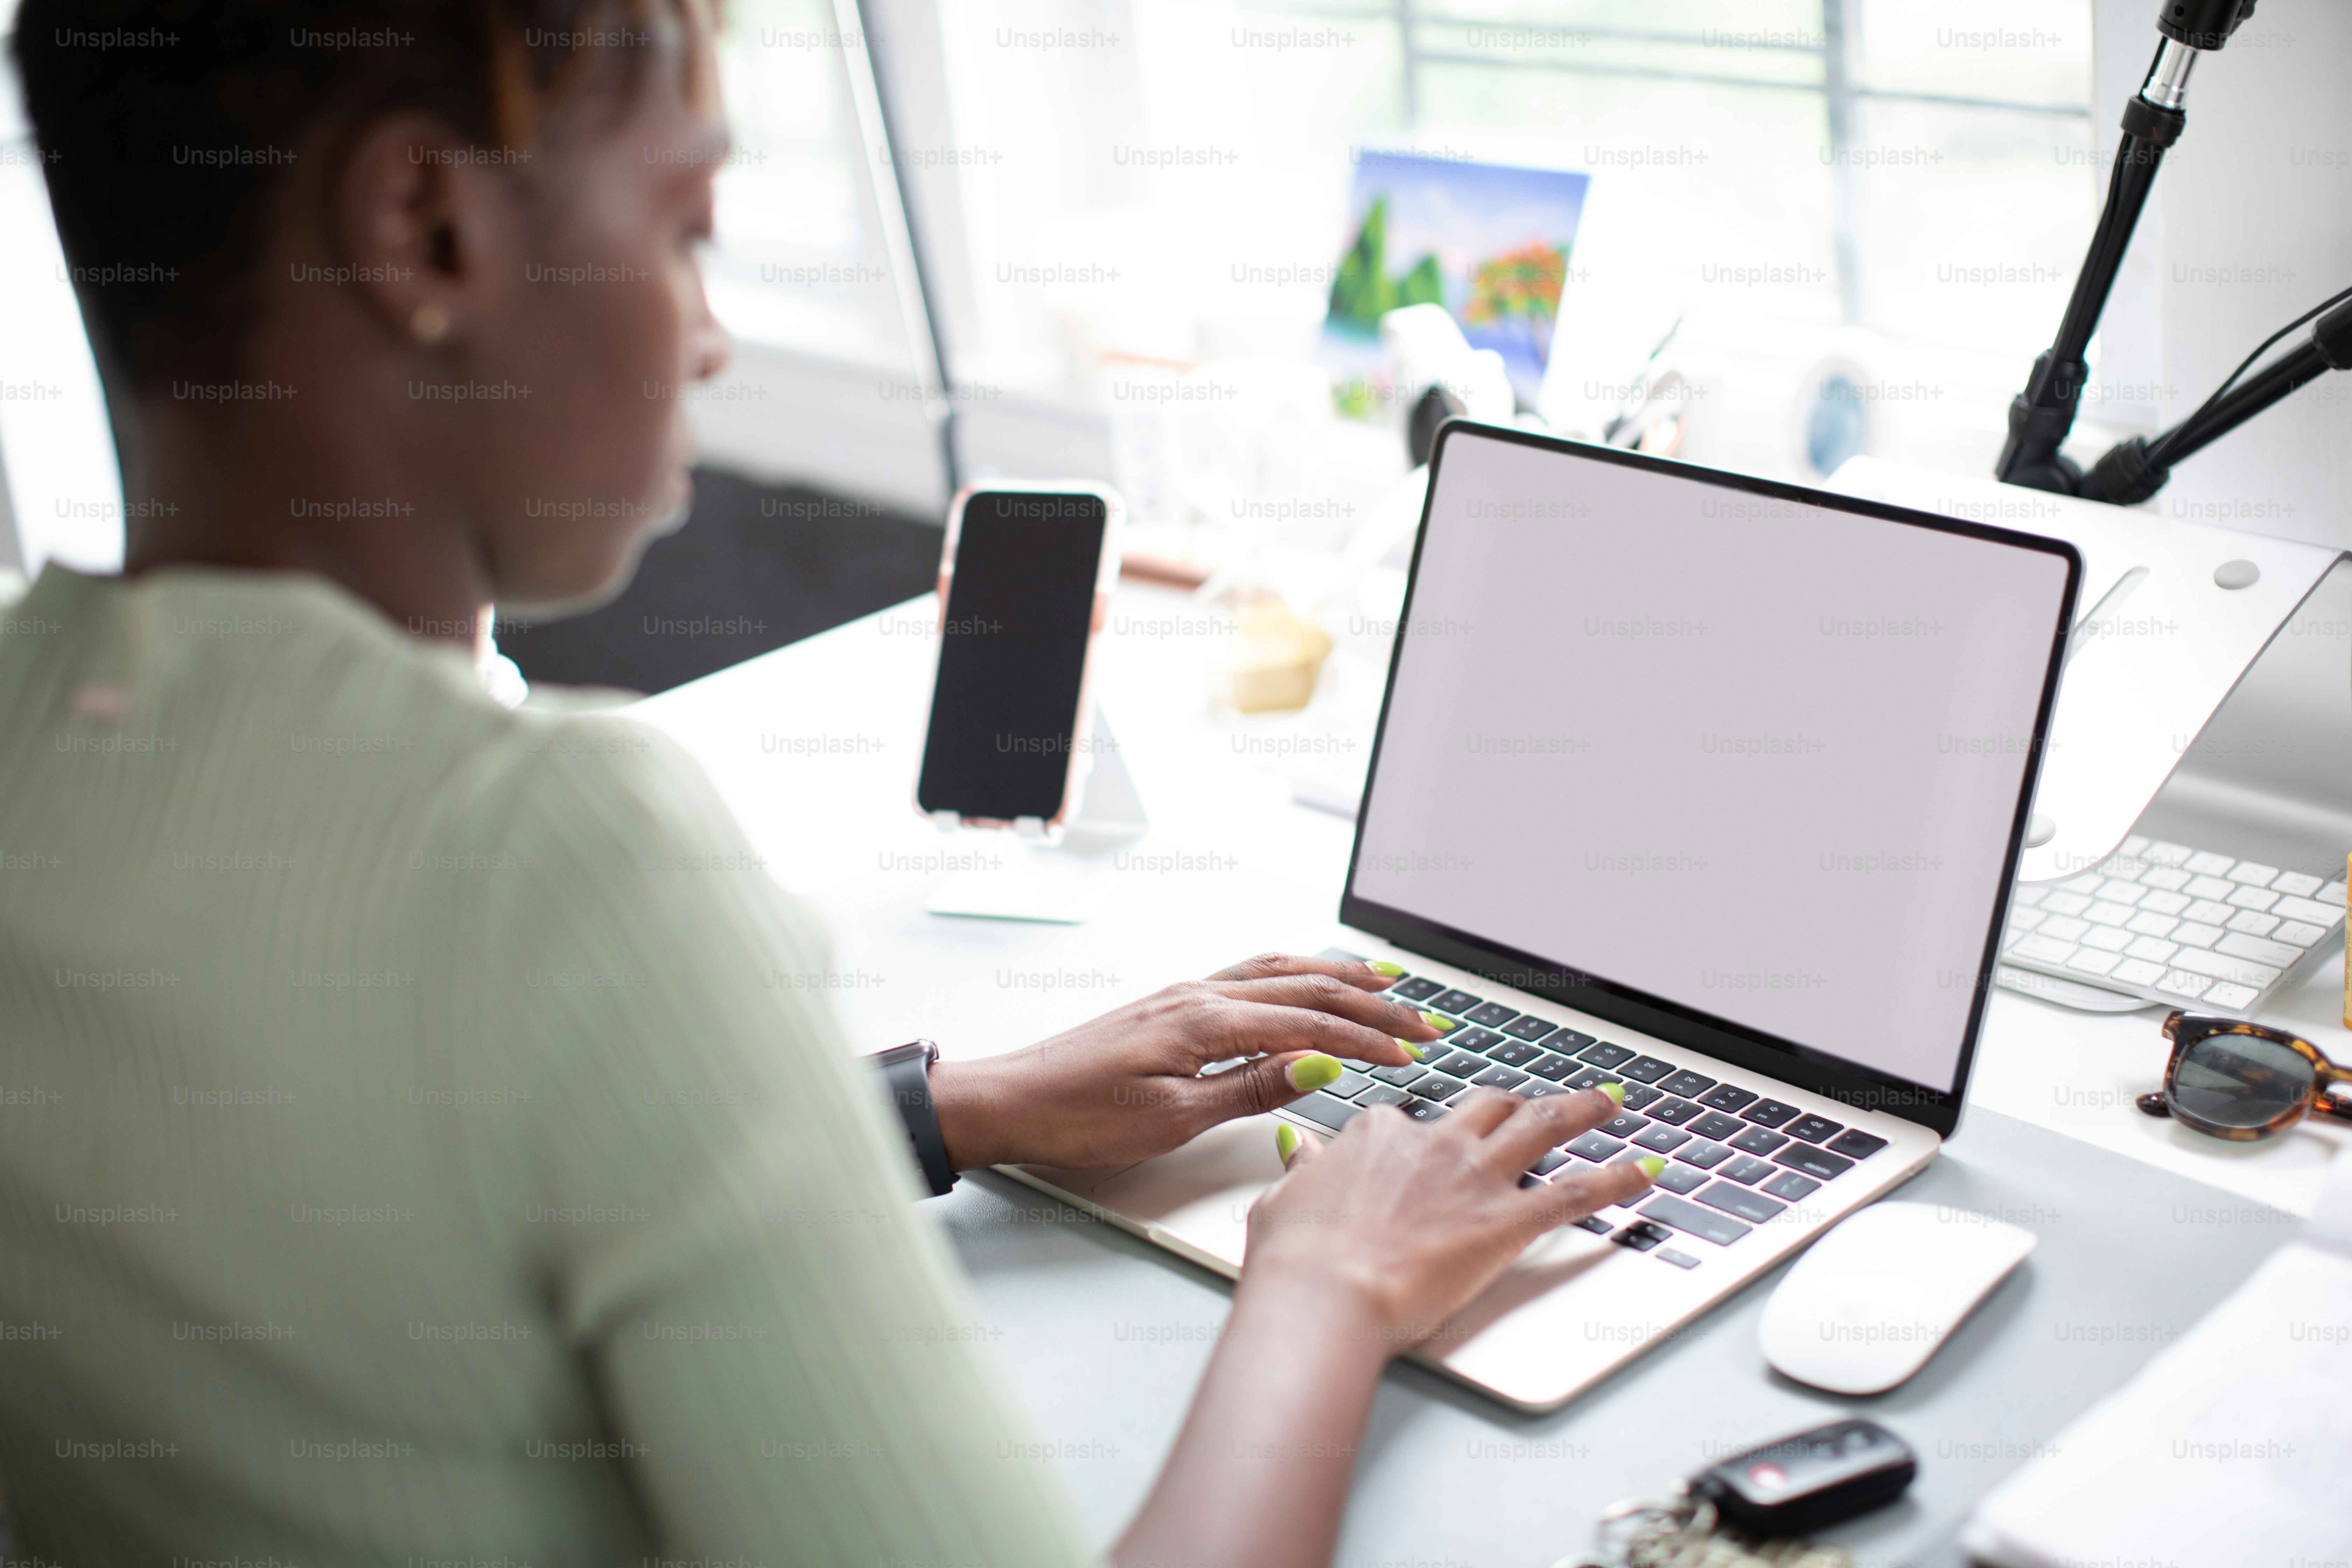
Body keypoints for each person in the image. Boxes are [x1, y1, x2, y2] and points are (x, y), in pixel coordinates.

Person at [0, 4, 1657, 1564]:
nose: (712, 338)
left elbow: (384, 1208)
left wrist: (943, 1107)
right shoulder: (552, 848)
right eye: (686, 228)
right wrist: (1332, 1281)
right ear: (427, 228)